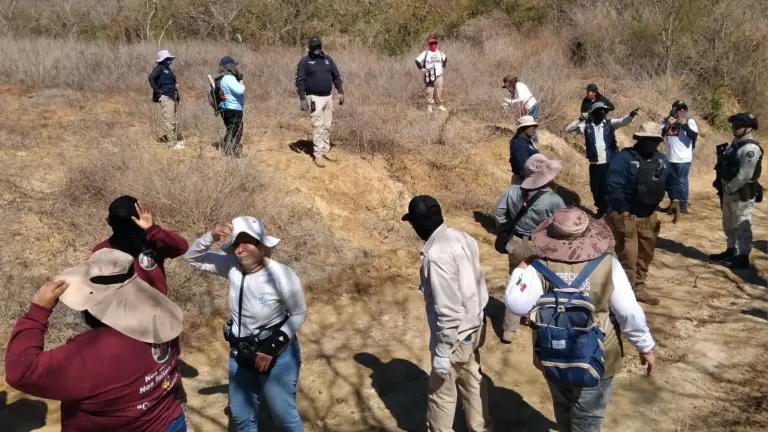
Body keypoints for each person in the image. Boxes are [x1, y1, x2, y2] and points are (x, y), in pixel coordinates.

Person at [504, 207, 656, 432]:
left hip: (552, 352)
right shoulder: (608, 264)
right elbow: (628, 313)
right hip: (599, 355)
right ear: (589, 234)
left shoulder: (538, 266)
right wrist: (645, 346)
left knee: (563, 407)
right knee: (588, 418)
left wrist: (521, 268)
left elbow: (516, 304)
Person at [5, 249, 186, 431]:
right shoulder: (163, 321)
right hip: (169, 422)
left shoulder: (92, 352)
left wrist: (37, 312)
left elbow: (21, 371)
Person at [185, 216, 306, 431]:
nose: (239, 250)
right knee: (241, 417)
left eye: (246, 242)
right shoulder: (232, 266)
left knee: (283, 416)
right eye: (235, 245)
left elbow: (298, 314)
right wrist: (211, 236)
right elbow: (192, 258)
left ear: (261, 244)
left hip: (278, 355)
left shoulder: (281, 275)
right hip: (241, 353)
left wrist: (271, 348)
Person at [401, 195, 493, 432]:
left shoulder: (436, 256)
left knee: (440, 395)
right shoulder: (462, 236)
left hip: (455, 335)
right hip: (475, 325)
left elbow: (448, 310)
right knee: (473, 382)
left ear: (418, 224)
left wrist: (442, 352)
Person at [493, 154, 566, 343]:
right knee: (545, 283)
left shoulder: (513, 191)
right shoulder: (553, 199)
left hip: (516, 243)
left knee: (516, 282)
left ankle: (509, 330)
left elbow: (499, 214)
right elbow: (563, 224)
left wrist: (509, 229)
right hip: (542, 244)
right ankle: (539, 320)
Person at [607, 123, 676, 305]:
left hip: (649, 214)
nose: (651, 144)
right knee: (628, 256)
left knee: (645, 254)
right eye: (647, 140)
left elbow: (673, 181)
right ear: (639, 139)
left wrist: (676, 200)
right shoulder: (623, 159)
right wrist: (623, 210)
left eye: (654, 140)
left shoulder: (661, 161)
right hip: (625, 214)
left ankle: (638, 288)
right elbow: (614, 185)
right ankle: (624, 296)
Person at [94, 195, 189, 297]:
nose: (125, 226)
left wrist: (152, 229)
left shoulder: (151, 240)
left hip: (155, 306)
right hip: (122, 309)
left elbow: (181, 247)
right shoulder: (102, 250)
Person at [565, 102, 639, 218]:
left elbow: (622, 121)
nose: (603, 113)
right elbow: (568, 129)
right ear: (594, 113)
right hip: (594, 164)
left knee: (606, 188)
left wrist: (631, 115)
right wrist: (580, 119)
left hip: (609, 163)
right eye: (600, 111)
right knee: (595, 188)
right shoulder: (586, 126)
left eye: (604, 111)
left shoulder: (610, 124)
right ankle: (601, 209)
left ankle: (608, 211)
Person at [709, 112, 762, 269]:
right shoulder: (736, 142)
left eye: (738, 126)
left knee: (741, 224)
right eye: (733, 125)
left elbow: (745, 174)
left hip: (740, 192)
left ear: (748, 128)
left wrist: (729, 188)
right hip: (728, 190)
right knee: (728, 223)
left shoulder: (750, 148)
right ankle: (731, 250)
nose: (734, 128)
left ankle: (743, 256)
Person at [296, 37, 344, 168]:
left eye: (318, 46)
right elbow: (300, 81)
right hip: (314, 98)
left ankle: (325, 150)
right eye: (314, 46)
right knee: (318, 125)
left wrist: (340, 91)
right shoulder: (305, 61)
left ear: (321, 46)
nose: (316, 49)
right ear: (309, 48)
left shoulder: (328, 60)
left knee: (327, 125)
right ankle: (317, 154)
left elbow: (336, 77)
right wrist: (302, 98)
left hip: (328, 97)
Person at [662, 100, 699, 215]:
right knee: (670, 182)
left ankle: (682, 206)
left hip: (683, 159)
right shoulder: (666, 120)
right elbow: (659, 135)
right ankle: (674, 204)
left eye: (683, 108)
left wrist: (684, 125)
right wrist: (667, 125)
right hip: (669, 157)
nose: (681, 110)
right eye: (678, 108)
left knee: (682, 182)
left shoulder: (690, 121)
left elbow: (694, 136)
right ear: (673, 109)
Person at [148, 49, 184, 150]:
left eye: (170, 58)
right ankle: (172, 143)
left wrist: (178, 97)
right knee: (169, 120)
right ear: (163, 59)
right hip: (166, 97)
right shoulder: (159, 68)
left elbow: (173, 84)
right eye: (167, 58)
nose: (169, 60)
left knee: (174, 119)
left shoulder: (168, 70)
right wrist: (157, 90)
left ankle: (176, 140)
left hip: (173, 96)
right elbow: (150, 78)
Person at [217, 56, 246, 158]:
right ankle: (233, 153)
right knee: (236, 131)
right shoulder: (229, 78)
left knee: (231, 130)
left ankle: (228, 151)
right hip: (232, 108)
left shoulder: (223, 77)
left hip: (227, 108)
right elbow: (240, 90)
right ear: (230, 66)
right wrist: (241, 81)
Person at [416, 36, 448, 113]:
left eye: (435, 43)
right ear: (429, 44)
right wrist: (422, 68)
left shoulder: (439, 52)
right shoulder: (426, 53)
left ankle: (439, 105)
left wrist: (443, 67)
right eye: (431, 43)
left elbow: (445, 59)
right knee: (430, 90)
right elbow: (417, 60)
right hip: (429, 75)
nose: (433, 45)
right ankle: (429, 106)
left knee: (439, 89)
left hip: (439, 75)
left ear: (437, 44)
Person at [502, 75, 539, 141]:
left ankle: (534, 141)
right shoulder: (515, 90)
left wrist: (510, 101)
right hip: (528, 108)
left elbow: (523, 98)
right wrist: (507, 105)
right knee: (526, 124)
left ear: (511, 83)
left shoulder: (518, 85)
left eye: (508, 86)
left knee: (530, 125)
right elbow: (514, 101)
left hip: (531, 106)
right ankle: (529, 139)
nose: (507, 88)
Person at [509, 115, 540, 184]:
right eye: (528, 126)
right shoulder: (520, 143)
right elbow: (523, 168)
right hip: (523, 182)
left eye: (533, 125)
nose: (532, 128)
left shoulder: (527, 141)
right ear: (521, 128)